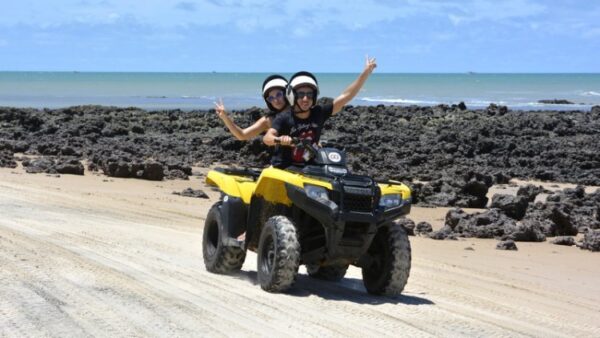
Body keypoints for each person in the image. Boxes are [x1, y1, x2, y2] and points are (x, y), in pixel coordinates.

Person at [263, 56, 377, 168]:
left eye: (309, 94)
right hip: (284, 169)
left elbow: (346, 96)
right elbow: (267, 138)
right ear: (292, 96)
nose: (305, 99)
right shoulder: (284, 117)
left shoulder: (319, 112)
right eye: (301, 95)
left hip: (309, 167)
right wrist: (280, 140)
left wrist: (365, 73)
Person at [215, 74, 289, 140]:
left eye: (279, 95)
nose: (275, 100)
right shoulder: (269, 120)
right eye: (271, 98)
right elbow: (242, 135)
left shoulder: (299, 111)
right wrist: (225, 117)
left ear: (287, 93)